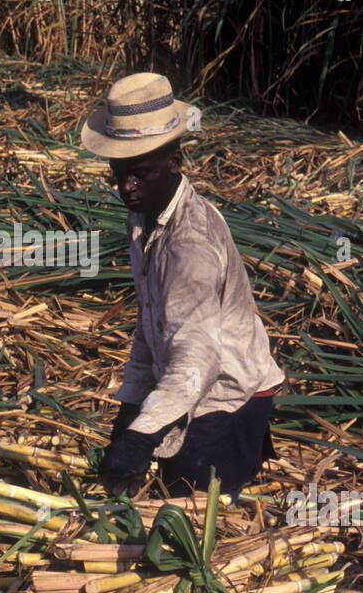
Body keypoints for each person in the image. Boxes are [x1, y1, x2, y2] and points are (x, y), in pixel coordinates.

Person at [80, 71, 283, 502]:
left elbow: (197, 361)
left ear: (174, 163)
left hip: (227, 392)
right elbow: (150, 324)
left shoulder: (191, 245)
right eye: (118, 175)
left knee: (184, 510)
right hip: (185, 382)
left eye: (137, 175)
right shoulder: (143, 216)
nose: (125, 189)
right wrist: (131, 408)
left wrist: (143, 434)